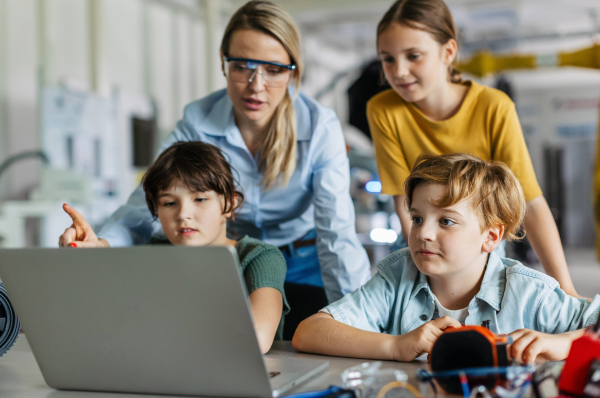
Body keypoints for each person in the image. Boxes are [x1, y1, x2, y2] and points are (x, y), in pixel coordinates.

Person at [58, 0, 371, 338]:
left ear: (294, 71)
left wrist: (359, 319)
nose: (256, 85)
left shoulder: (319, 126)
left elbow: (336, 231)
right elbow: (146, 202)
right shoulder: (199, 120)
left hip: (308, 260)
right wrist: (103, 246)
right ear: (224, 64)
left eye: (274, 70)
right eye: (242, 66)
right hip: (227, 261)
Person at [293, 153, 600, 363]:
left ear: (491, 236)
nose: (423, 233)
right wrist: (396, 346)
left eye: (446, 221)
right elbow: (309, 332)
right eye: (416, 219)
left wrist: (560, 344)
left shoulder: (529, 292)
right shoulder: (398, 275)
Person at [366, 0, 579, 297]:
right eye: (387, 59)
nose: (399, 71)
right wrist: (424, 265)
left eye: (413, 56)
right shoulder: (383, 109)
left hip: (479, 247)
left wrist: (565, 288)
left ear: (448, 52)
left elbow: (530, 201)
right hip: (426, 242)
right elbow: (403, 199)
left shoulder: (493, 106)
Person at [62, 141, 289, 354]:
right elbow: (101, 321)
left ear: (229, 203)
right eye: (169, 203)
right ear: (156, 211)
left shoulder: (260, 258)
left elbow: (255, 338)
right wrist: (84, 260)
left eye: (200, 199)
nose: (183, 215)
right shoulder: (153, 254)